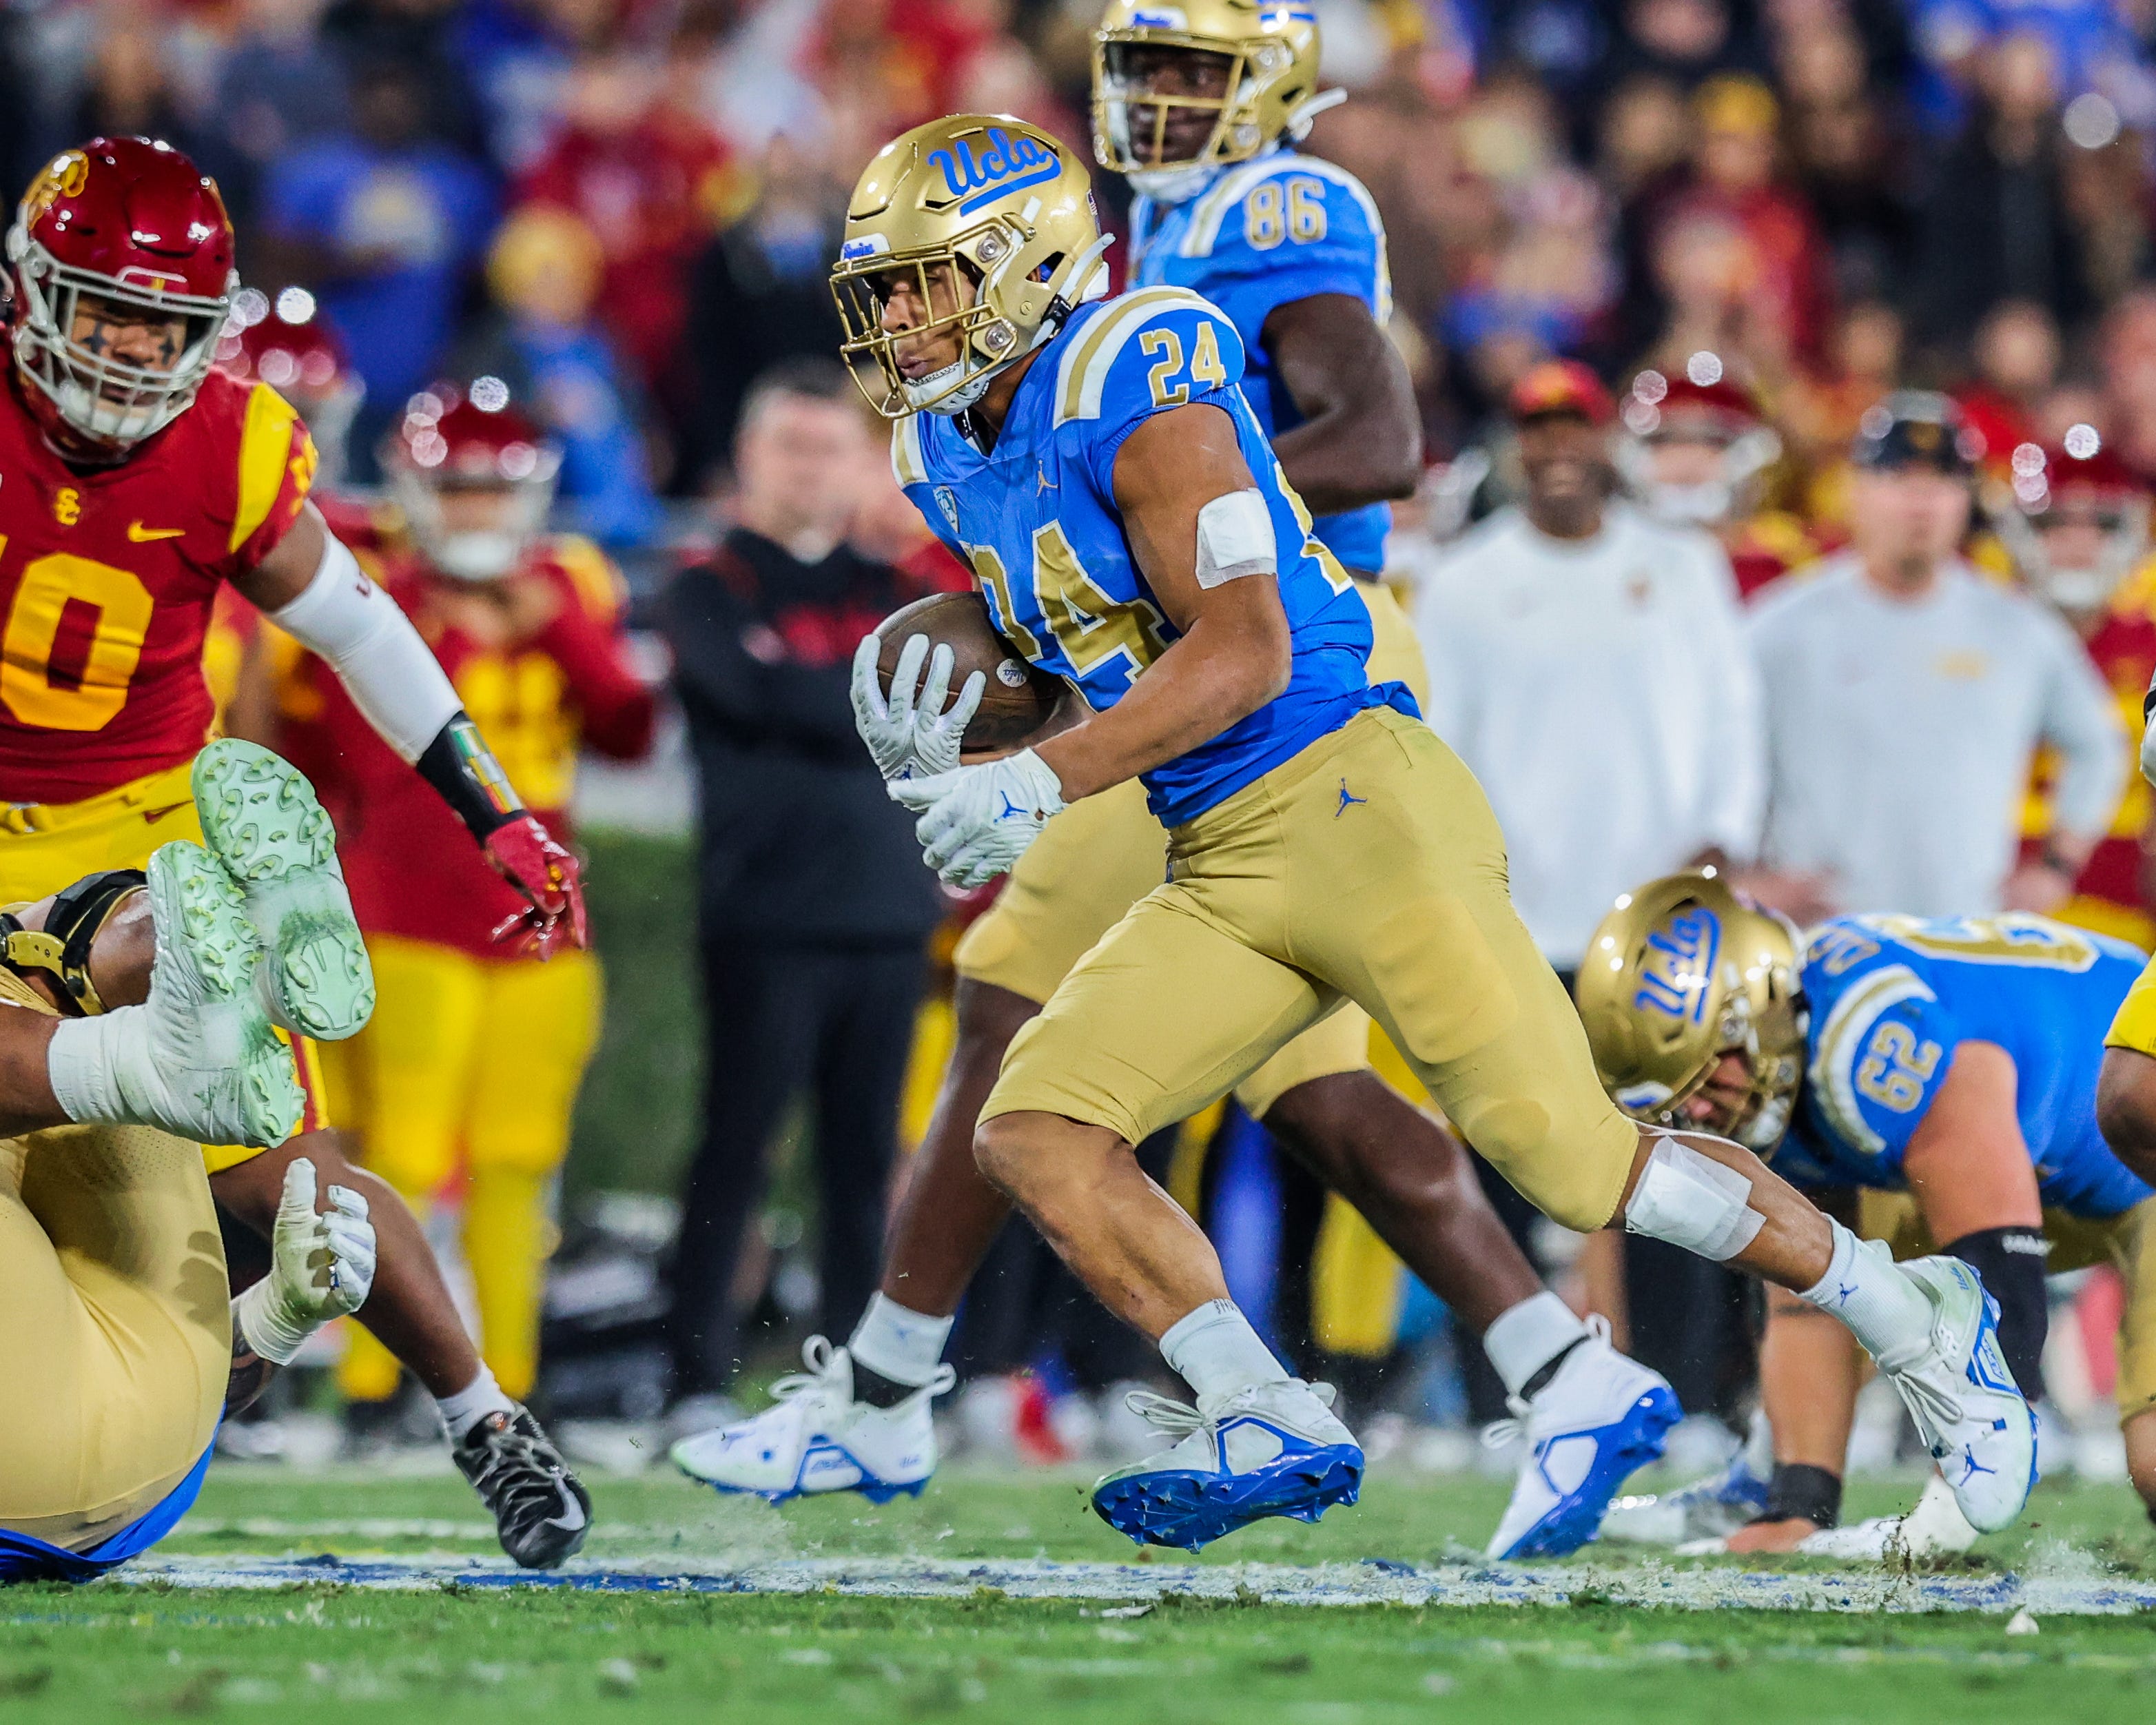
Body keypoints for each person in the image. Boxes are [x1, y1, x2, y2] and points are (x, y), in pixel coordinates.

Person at [713, 112, 2033, 1552]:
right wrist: (958, 712)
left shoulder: (1136, 369)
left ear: (1025, 265)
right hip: (1214, 847)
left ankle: (1911, 1312)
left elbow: (1241, 650)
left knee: (1579, 1161)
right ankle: (1258, 1408)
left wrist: (1035, 783)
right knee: (1037, 1129)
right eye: (884, 288)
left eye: (927, 281)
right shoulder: (937, 444)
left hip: (1353, 802)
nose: (898, 317)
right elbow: (1082, 640)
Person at [677, 10, 1683, 1563]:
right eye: (1140, 70)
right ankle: (1560, 1368)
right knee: (1312, 1085)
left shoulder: (1280, 208)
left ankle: (885, 1391)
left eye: (1196, 76)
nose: (1158, 102)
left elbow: (1381, 435)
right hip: (1186, 664)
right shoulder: (1130, 230)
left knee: (1014, 1004)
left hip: (1261, 660)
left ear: (1271, 88)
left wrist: (1188, 494)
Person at [0, 137, 591, 1566]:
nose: (136, 353)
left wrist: (493, 805)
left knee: (284, 1175)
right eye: (106, 311)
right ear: (30, 294)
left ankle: (484, 1420)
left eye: (164, 325)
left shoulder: (230, 440)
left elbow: (359, 627)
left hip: (139, 826)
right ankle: (239, 1341)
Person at [251, 385, 653, 1447]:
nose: (476, 514)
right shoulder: (368, 581)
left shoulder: (572, 581)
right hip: (406, 914)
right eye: (458, 491)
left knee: (521, 1159)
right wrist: (432, 622)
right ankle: (382, 1390)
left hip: (540, 920)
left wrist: (552, 627)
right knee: (407, 1156)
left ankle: (511, 1384)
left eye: (492, 492)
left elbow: (626, 722)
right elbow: (320, 744)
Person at [1580, 872, 2156, 1536]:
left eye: (1711, 1070)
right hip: (2040, 1173)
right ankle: (1773, 1478)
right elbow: (1811, 1296)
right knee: (1817, 1260)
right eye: (1680, 1096)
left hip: (2133, 1168)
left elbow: (2000, 1281)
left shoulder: (1876, 1043)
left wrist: (1948, 1515)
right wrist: (1799, 1509)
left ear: (1762, 1004)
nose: (1701, 1110)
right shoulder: (1790, 1057)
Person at [657, 360, 943, 1418]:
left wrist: (803, 688)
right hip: (763, 914)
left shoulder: (898, 589)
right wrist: (861, 696)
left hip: (887, 913)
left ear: (865, 463)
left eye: (830, 446)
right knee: (735, 1145)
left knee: (864, 1165)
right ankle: (693, 1373)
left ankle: (861, 1381)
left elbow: (935, 701)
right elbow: (739, 687)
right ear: (747, 457)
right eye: (790, 444)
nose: (810, 466)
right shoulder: (705, 583)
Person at [0, 825, 378, 1582]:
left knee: (37, 970)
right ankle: (149, 961)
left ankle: (128, 1024)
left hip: (65, 1450)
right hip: (163, 1446)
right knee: (36, 955)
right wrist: (273, 1321)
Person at [1749, 392, 2124, 921]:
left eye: (1942, 481)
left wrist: (2056, 865)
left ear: (1964, 498)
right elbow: (1709, 752)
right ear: (1855, 490)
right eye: (1900, 478)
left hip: (1964, 938)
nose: (1921, 502)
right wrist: (1741, 877)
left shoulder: (2016, 628)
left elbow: (2098, 745)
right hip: (1823, 944)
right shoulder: (1782, 626)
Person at [1998, 434, 2156, 948]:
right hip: (1991, 919)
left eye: (2101, 525)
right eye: (2055, 524)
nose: (2078, 543)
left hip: (2126, 924)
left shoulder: (2150, 642)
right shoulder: (1976, 635)